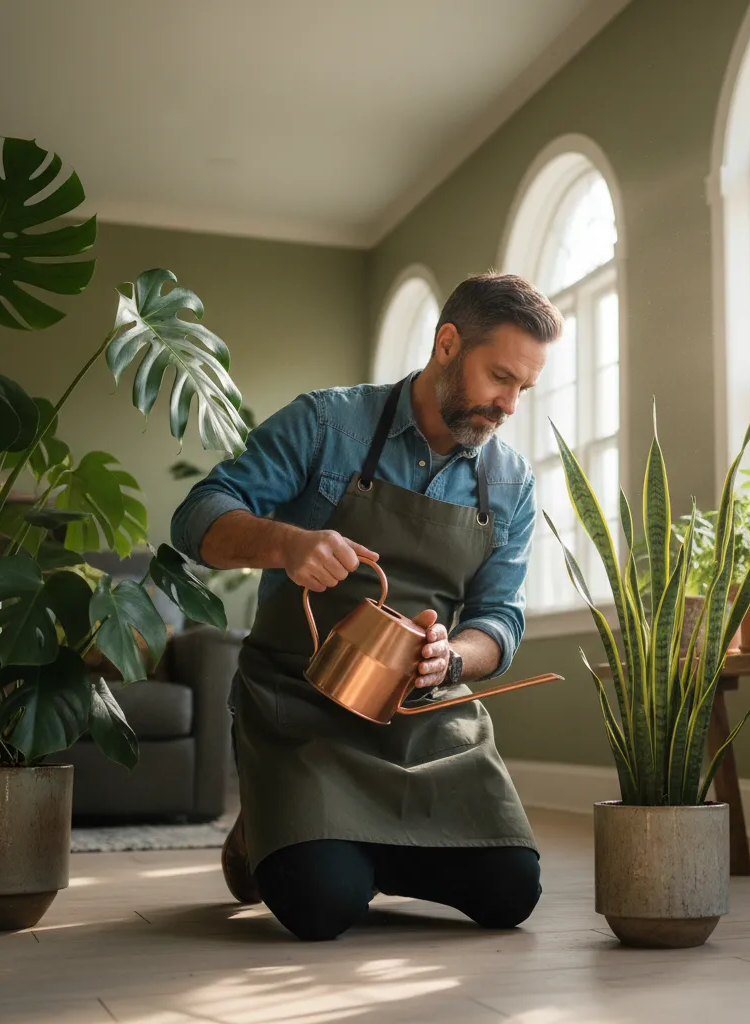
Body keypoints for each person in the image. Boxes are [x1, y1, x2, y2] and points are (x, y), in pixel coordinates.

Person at [170, 272, 562, 941]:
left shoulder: (511, 482)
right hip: (303, 708)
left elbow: (500, 618)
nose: (509, 406)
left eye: (523, 387)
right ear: (446, 345)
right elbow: (196, 516)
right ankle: (293, 837)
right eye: (500, 377)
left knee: (511, 892)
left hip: (425, 720)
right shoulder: (328, 423)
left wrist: (453, 657)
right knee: (324, 907)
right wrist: (286, 542)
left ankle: (321, 840)